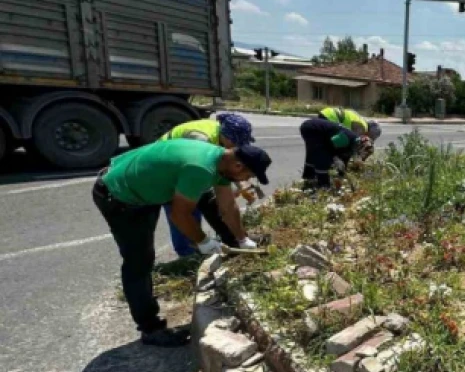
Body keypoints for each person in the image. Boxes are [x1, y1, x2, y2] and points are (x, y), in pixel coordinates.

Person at [92, 140, 271, 347]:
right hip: (120, 196)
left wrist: (243, 239)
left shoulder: (221, 161)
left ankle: (235, 248)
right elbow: (179, 215)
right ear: (238, 166)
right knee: (139, 261)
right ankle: (150, 329)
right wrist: (203, 241)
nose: (248, 180)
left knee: (208, 199)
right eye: (248, 175)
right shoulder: (199, 168)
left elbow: (228, 207)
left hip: (146, 185)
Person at [159, 113, 257, 256]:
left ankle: (234, 241)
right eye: (237, 143)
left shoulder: (222, 134)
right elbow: (197, 170)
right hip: (167, 169)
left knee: (211, 203)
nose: (238, 148)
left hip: (187, 165)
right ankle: (187, 255)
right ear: (227, 138)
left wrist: (241, 186)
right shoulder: (201, 140)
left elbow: (227, 167)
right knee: (184, 210)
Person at [299, 118, 371, 188]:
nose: (359, 156)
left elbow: (345, 159)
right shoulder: (348, 138)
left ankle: (308, 178)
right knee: (323, 157)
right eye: (361, 153)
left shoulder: (352, 146)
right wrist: (335, 158)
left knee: (312, 155)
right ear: (360, 146)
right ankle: (323, 186)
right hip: (312, 129)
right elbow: (329, 145)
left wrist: (342, 175)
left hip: (315, 130)